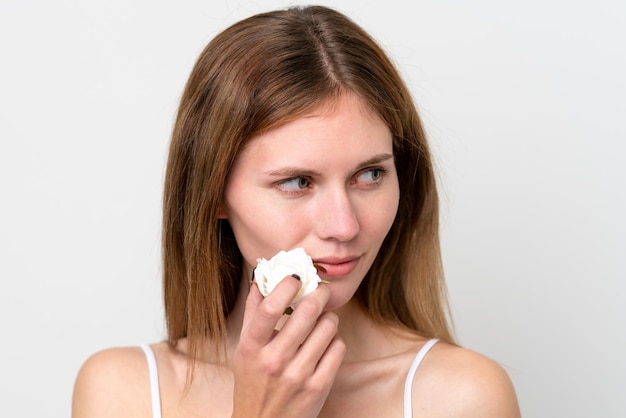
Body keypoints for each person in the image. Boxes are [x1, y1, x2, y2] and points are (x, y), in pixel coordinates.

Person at [72, 5, 520, 418]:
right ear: (213, 197)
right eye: (297, 183)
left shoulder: (463, 396)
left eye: (369, 176)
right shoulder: (123, 391)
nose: (344, 227)